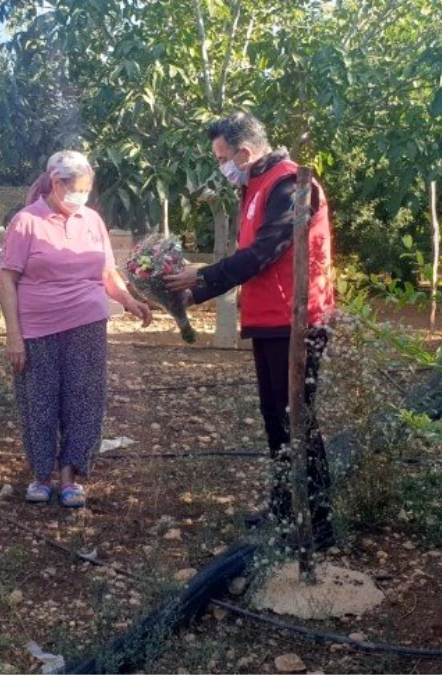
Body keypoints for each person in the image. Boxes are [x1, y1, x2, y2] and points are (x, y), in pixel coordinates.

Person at [165, 112, 337, 548]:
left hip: (296, 320)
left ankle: (317, 524)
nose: (222, 167)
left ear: (244, 152)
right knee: (275, 419)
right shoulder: (256, 185)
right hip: (269, 319)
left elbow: (264, 252)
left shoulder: (290, 185)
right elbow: (251, 256)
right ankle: (284, 508)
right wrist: (196, 291)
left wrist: (201, 277)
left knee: (296, 419)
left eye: (224, 158)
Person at [0, 150, 153, 509]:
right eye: (75, 189)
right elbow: (8, 280)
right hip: (38, 328)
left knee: (84, 400)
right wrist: (13, 335)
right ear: (56, 183)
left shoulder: (92, 221)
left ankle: (70, 476)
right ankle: (41, 475)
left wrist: (130, 300)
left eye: (86, 189)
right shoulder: (26, 222)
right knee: (39, 401)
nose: (81, 196)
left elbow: (107, 273)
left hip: (87, 323)